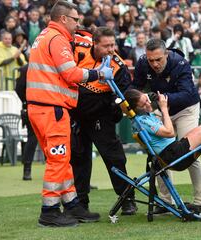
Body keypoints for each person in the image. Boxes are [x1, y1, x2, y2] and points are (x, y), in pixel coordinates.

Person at [26, 1, 113, 227]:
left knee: (62, 159)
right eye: (75, 19)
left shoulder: (44, 36)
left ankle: (72, 204)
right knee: (58, 158)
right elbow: (70, 73)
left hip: (42, 107)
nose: (78, 24)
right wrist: (98, 74)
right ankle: (50, 210)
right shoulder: (57, 39)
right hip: (51, 107)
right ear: (64, 19)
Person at [131, 38, 201, 216]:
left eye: (158, 59)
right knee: (158, 155)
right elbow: (136, 87)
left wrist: (159, 98)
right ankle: (166, 202)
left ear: (166, 54)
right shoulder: (143, 63)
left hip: (186, 109)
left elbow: (187, 94)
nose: (155, 64)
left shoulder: (181, 64)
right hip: (162, 107)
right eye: (151, 60)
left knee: (189, 152)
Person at [124, 88, 201, 190]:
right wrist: (164, 109)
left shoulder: (141, 118)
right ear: (135, 109)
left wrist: (149, 97)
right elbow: (169, 133)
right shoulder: (143, 121)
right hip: (173, 155)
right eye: (143, 104)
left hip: (171, 152)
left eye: (146, 100)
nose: (147, 104)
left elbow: (137, 103)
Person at [70, 27, 137, 215]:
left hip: (101, 117)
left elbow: (124, 94)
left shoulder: (118, 65)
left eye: (113, 45)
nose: (111, 49)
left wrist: (114, 109)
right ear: (95, 44)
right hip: (76, 116)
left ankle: (127, 199)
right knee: (79, 159)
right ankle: (81, 203)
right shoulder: (78, 51)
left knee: (114, 157)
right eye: (106, 46)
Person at [15, 64, 38, 181]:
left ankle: (27, 169)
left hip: (31, 106)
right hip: (34, 107)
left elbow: (18, 88)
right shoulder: (26, 68)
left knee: (32, 139)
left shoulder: (25, 68)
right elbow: (19, 88)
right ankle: (27, 168)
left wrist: (26, 101)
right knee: (33, 139)